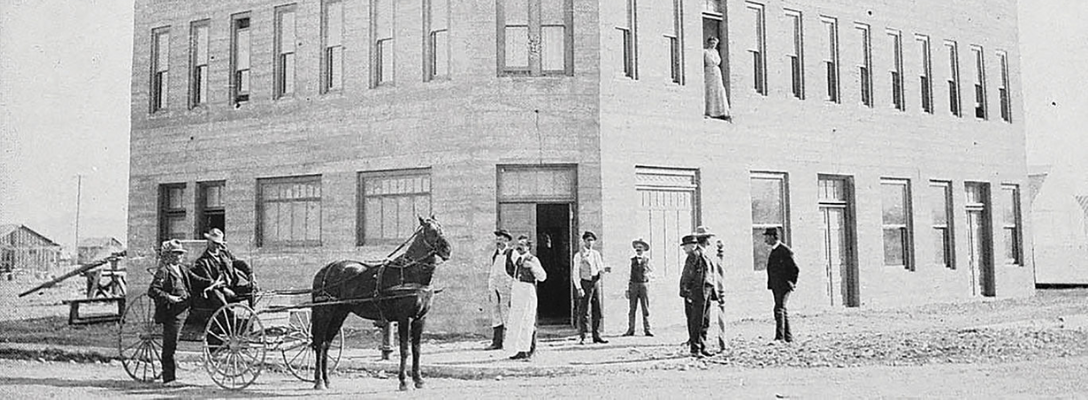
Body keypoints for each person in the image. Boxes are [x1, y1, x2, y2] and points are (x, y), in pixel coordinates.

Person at [148, 240, 192, 386]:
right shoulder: (164, 271)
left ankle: (170, 377)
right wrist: (169, 297)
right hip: (172, 313)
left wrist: (210, 282)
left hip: (185, 309)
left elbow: (195, 280)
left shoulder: (183, 269)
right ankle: (169, 379)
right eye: (176, 254)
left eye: (180, 253)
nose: (179, 256)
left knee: (172, 344)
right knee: (170, 345)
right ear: (169, 255)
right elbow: (153, 290)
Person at [679, 226, 725, 357]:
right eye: (708, 239)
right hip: (697, 293)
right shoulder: (695, 255)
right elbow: (687, 275)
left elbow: (708, 276)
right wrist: (687, 292)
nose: (709, 242)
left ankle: (702, 347)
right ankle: (695, 349)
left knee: (705, 321)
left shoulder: (703, 255)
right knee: (696, 321)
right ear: (705, 240)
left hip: (706, 292)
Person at [190, 228, 255, 309]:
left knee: (252, 288)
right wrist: (224, 289)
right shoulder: (202, 262)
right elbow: (210, 282)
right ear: (208, 242)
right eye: (214, 243)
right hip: (218, 291)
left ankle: (252, 313)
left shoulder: (225, 254)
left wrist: (250, 274)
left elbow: (239, 263)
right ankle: (228, 315)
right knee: (216, 293)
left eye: (219, 244)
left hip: (232, 288)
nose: (216, 246)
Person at [506, 235, 547, 360]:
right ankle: (520, 349)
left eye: (522, 244)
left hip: (527, 290)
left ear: (528, 247)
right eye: (519, 244)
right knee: (517, 320)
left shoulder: (532, 259)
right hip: (517, 290)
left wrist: (533, 267)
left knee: (527, 320)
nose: (519, 246)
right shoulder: (517, 260)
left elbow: (543, 276)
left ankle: (529, 349)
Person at [572, 231, 610, 344]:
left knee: (597, 309)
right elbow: (575, 273)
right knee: (584, 310)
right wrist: (579, 288)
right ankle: (583, 336)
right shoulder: (579, 255)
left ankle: (596, 335)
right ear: (584, 241)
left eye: (592, 240)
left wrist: (605, 269)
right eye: (588, 240)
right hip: (585, 283)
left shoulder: (596, 254)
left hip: (595, 281)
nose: (590, 242)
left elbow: (599, 267)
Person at [764, 228, 799, 343]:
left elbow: (795, 269)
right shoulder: (775, 250)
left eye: (767, 236)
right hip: (776, 285)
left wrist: (791, 283)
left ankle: (780, 337)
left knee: (779, 309)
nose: (765, 239)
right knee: (782, 309)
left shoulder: (785, 251)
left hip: (783, 286)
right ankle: (788, 337)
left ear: (773, 236)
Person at [486, 229, 515, 350]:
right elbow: (492, 272)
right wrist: (490, 289)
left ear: (507, 240)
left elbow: (516, 272)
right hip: (495, 287)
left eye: (501, 238)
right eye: (497, 238)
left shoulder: (512, 253)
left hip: (507, 287)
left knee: (507, 313)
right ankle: (496, 342)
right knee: (496, 314)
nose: (499, 241)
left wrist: (514, 289)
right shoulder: (495, 254)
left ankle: (510, 341)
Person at [623, 238, 653, 337]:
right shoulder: (631, 260)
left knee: (645, 308)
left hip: (644, 285)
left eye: (641, 247)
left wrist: (648, 279)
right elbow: (627, 274)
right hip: (633, 285)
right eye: (637, 248)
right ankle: (631, 329)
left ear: (644, 249)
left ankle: (647, 329)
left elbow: (653, 272)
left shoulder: (648, 260)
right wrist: (627, 289)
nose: (638, 249)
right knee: (632, 309)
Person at [704, 37, 731, 121]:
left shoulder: (716, 52)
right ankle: (710, 111)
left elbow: (718, 61)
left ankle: (720, 111)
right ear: (708, 43)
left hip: (716, 71)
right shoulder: (705, 51)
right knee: (710, 89)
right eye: (711, 43)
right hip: (709, 71)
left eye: (714, 43)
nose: (713, 45)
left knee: (718, 89)